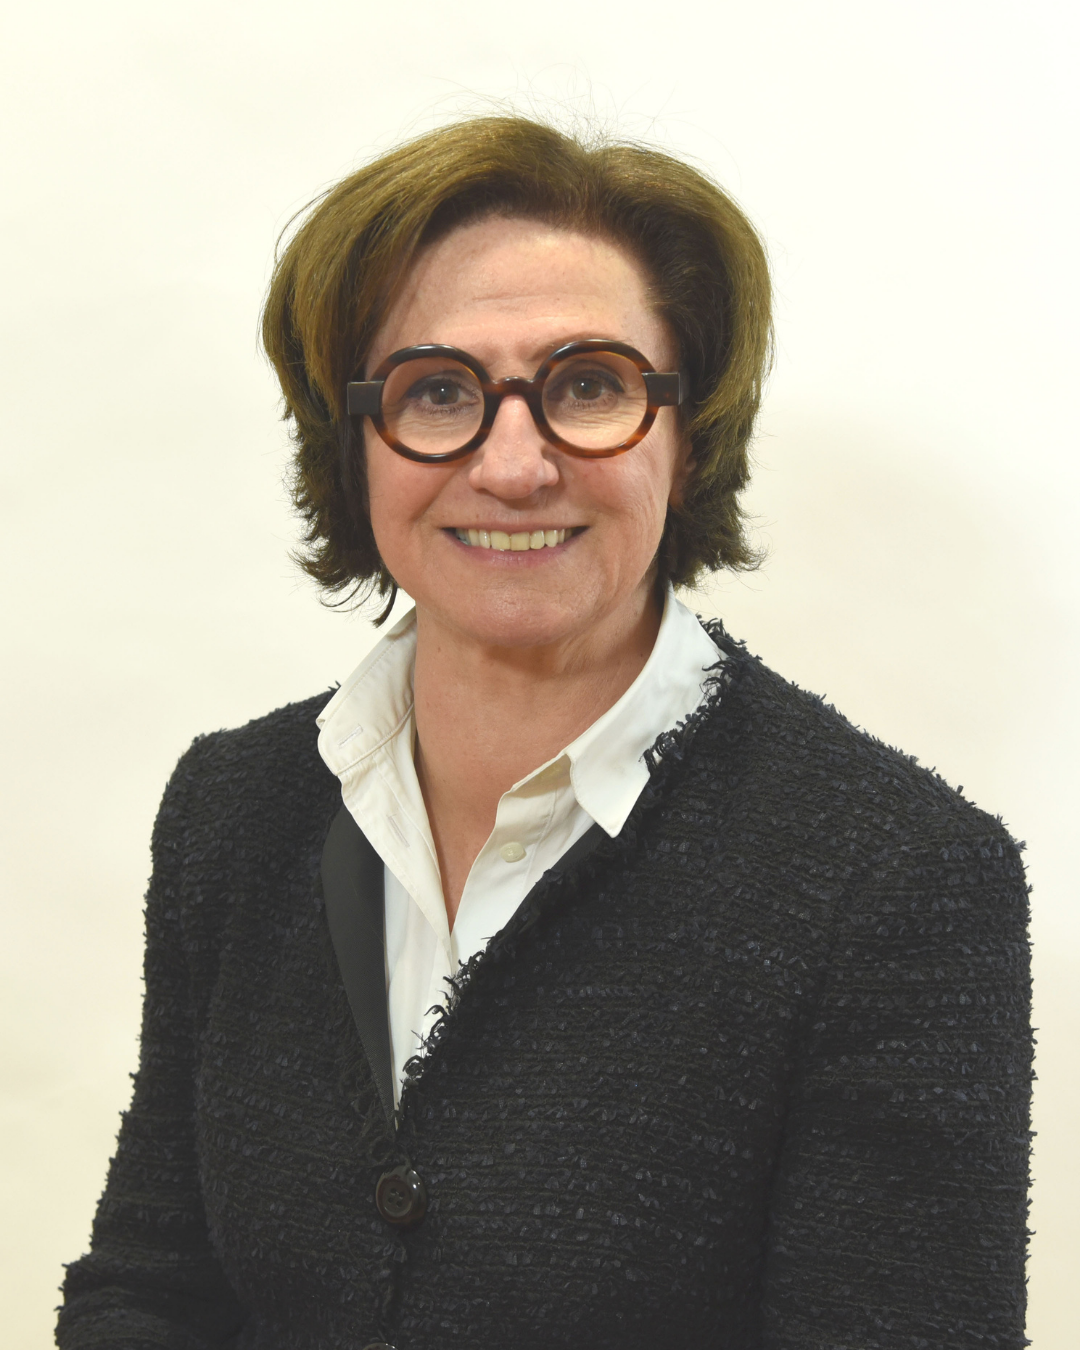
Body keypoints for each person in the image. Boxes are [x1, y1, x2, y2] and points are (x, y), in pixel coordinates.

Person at [56, 116, 1031, 1350]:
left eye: (588, 386)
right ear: (352, 446)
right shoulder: (235, 808)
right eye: (437, 392)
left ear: (687, 439)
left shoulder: (896, 881)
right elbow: (152, 1287)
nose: (514, 467)